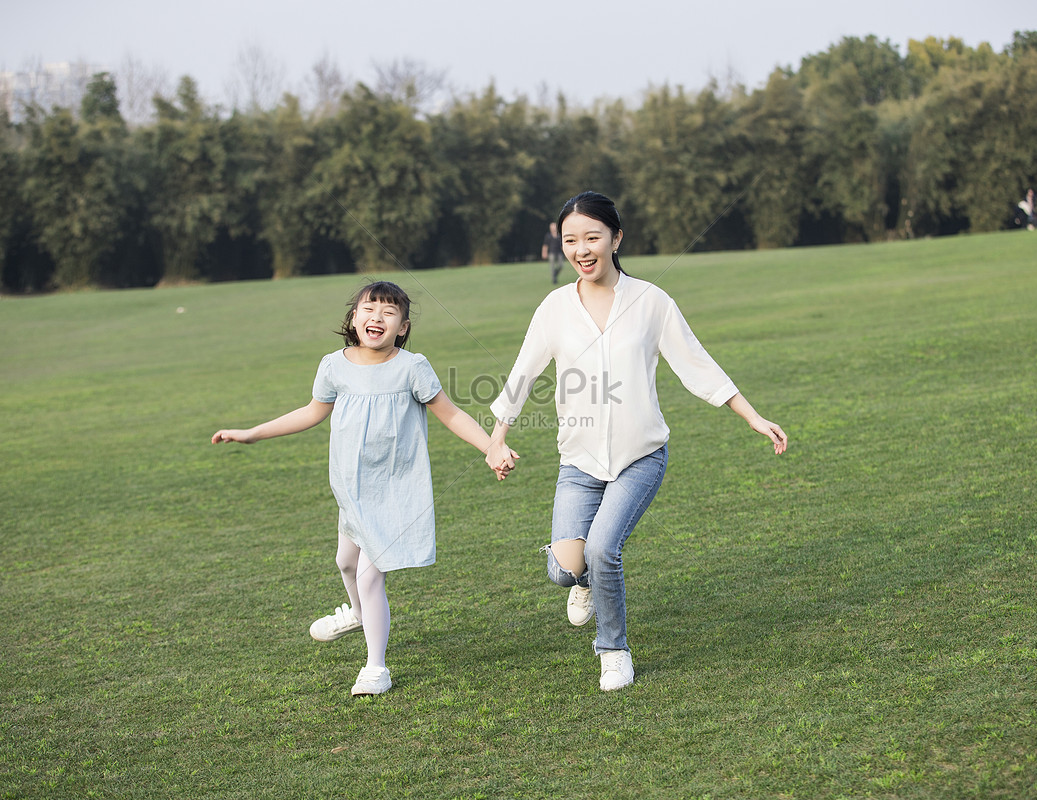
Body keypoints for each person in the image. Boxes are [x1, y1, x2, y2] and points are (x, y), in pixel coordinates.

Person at [486, 191, 788, 692]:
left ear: (616, 237)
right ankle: (580, 581)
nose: (581, 250)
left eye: (592, 237)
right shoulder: (556, 307)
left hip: (640, 457)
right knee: (565, 570)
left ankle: (614, 651)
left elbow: (696, 362)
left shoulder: (650, 302)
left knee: (604, 549)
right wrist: (498, 438)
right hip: (578, 462)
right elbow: (522, 374)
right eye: (570, 240)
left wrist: (751, 415)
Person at [212, 281, 514, 697]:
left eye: (389, 312)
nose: (377, 317)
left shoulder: (412, 366)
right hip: (353, 488)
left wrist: (490, 448)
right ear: (353, 318)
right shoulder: (333, 366)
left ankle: (376, 667)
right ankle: (356, 613)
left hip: (398, 487)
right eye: (369, 308)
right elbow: (311, 412)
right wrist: (253, 434)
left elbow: (450, 414)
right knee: (346, 563)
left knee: (372, 576)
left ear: (403, 328)